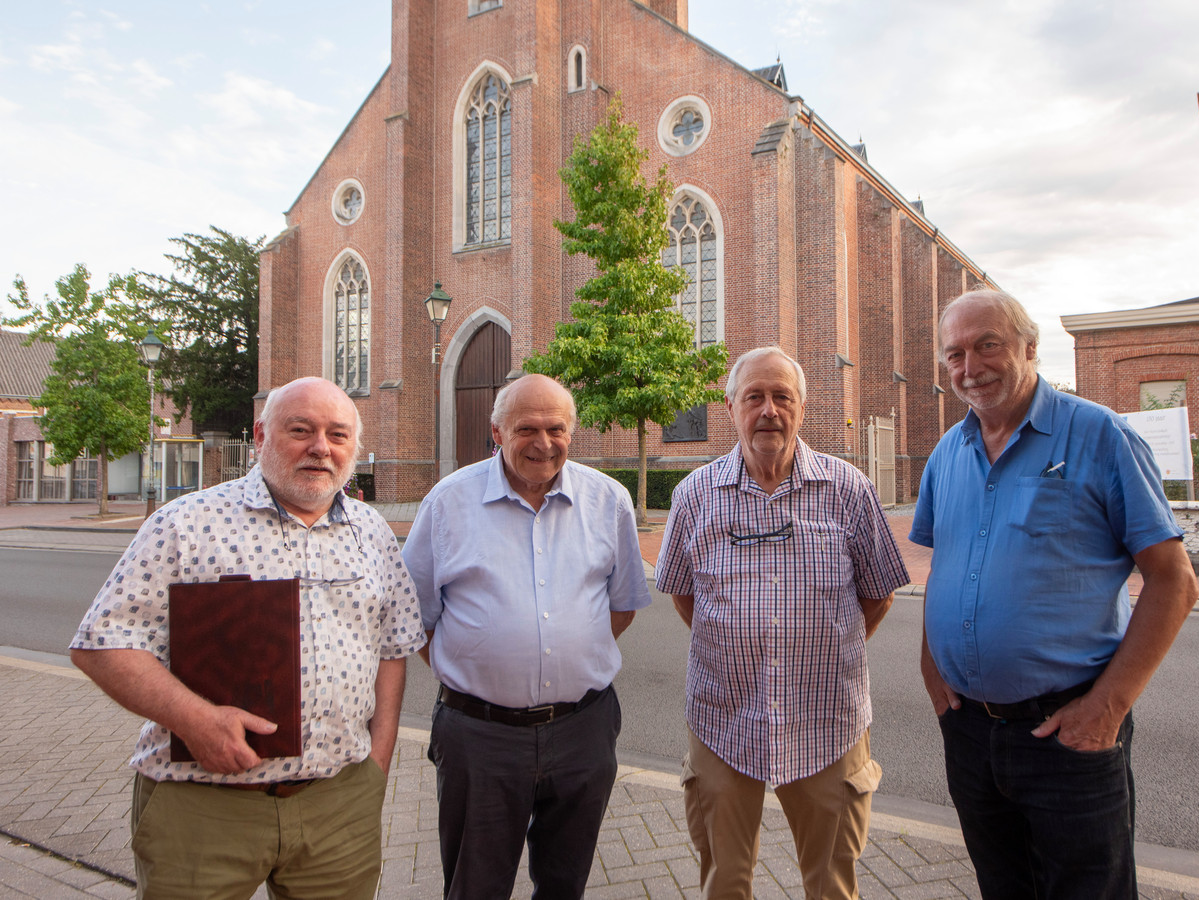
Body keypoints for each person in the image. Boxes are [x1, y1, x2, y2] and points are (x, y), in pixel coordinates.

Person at [70, 376, 425, 900]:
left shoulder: (371, 532)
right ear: (260, 435)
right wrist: (195, 721)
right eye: (300, 430)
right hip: (204, 807)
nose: (320, 447)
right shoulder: (187, 523)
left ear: (354, 446)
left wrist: (378, 761)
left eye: (338, 434)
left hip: (338, 806)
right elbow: (102, 642)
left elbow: (394, 646)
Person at [911, 289, 1199, 900]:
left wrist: (1108, 708)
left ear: (1030, 347)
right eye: (955, 354)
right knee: (1003, 888)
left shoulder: (1100, 436)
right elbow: (947, 567)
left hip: (1068, 735)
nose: (971, 367)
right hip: (969, 733)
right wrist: (933, 670)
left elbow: (1174, 581)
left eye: (988, 345)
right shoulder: (946, 454)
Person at [655, 346, 909, 900]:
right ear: (730, 408)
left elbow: (880, 593)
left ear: (801, 406)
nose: (768, 410)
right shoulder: (694, 496)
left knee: (832, 885)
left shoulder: (849, 489)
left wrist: (824, 648)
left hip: (829, 720)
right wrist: (736, 647)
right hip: (723, 720)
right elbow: (680, 592)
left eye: (781, 397)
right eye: (754, 397)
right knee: (725, 881)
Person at [403, 373, 652, 900]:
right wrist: (480, 669)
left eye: (556, 428)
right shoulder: (447, 504)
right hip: (479, 736)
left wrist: (567, 653)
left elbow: (622, 605)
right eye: (526, 429)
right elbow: (414, 618)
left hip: (583, 729)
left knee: (566, 883)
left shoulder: (608, 501)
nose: (543, 443)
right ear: (496, 432)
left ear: (572, 431)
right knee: (476, 885)